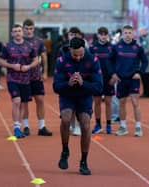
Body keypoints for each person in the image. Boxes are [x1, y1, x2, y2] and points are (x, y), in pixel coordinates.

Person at [53, 37, 103, 175]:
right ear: (70, 50)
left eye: (81, 54)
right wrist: (67, 83)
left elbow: (99, 87)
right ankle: (65, 150)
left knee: (86, 125)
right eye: (75, 55)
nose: (79, 58)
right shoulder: (61, 61)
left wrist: (83, 83)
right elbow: (56, 87)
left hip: (84, 95)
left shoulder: (92, 60)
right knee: (66, 118)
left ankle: (84, 161)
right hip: (67, 94)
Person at [0, 24, 38, 138]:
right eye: (15, 31)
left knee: (23, 104)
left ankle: (19, 127)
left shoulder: (30, 45)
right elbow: (0, 61)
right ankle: (16, 128)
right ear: (12, 34)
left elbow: (36, 60)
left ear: (22, 32)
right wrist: (11, 65)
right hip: (12, 78)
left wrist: (29, 66)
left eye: (19, 31)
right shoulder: (7, 46)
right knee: (16, 101)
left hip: (26, 79)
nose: (17, 33)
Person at [108, 25, 148, 137]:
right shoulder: (116, 47)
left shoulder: (138, 47)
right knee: (122, 102)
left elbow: (145, 62)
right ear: (122, 34)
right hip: (121, 79)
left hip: (133, 79)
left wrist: (139, 73)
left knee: (135, 102)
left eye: (130, 33)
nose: (128, 35)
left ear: (133, 34)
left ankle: (138, 127)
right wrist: (113, 74)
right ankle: (123, 127)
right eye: (125, 33)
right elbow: (109, 61)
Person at [22, 19, 52, 136]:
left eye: (30, 28)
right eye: (26, 28)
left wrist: (45, 72)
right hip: (23, 76)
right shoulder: (20, 41)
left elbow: (44, 57)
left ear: (33, 29)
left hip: (36, 75)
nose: (28, 31)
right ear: (23, 29)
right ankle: (26, 126)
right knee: (25, 102)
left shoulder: (39, 41)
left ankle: (42, 126)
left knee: (40, 100)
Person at [58, 26, 83, 136]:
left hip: (81, 77)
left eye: (75, 34)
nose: (73, 36)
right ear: (68, 36)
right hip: (67, 79)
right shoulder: (63, 49)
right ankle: (72, 125)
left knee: (79, 104)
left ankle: (78, 125)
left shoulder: (84, 47)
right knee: (69, 105)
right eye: (71, 34)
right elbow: (59, 64)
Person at [90, 27, 114, 134]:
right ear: (98, 35)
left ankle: (109, 125)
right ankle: (98, 124)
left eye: (105, 34)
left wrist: (114, 75)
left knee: (108, 102)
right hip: (97, 79)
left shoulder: (112, 48)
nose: (103, 36)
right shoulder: (92, 47)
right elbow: (89, 64)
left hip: (109, 78)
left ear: (107, 35)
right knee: (97, 102)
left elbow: (115, 63)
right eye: (101, 34)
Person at [139, 27, 149, 98]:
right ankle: (146, 92)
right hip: (145, 60)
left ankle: (147, 93)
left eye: (141, 31)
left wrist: (140, 53)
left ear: (145, 31)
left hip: (148, 60)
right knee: (144, 77)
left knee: (146, 77)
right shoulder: (144, 37)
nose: (140, 33)